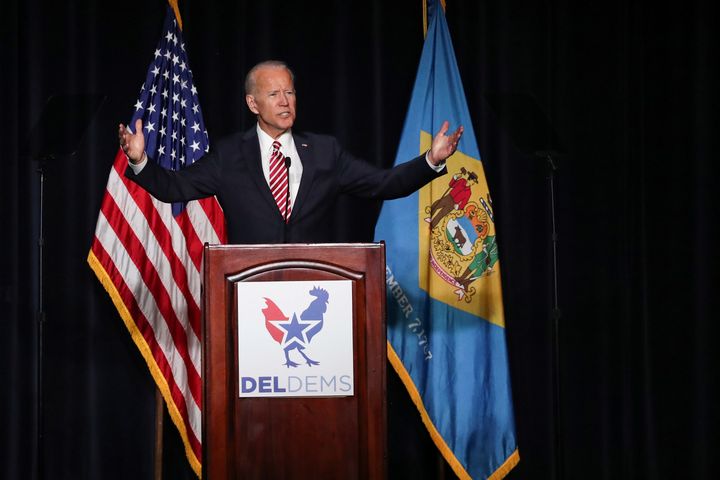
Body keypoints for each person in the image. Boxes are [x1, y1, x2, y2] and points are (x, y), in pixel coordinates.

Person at [118, 60, 463, 244]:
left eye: (290, 92)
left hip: (314, 290)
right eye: (273, 94)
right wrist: (139, 161)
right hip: (250, 293)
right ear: (253, 103)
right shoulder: (229, 155)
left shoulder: (326, 152)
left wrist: (431, 160)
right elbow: (173, 188)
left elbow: (384, 184)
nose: (285, 101)